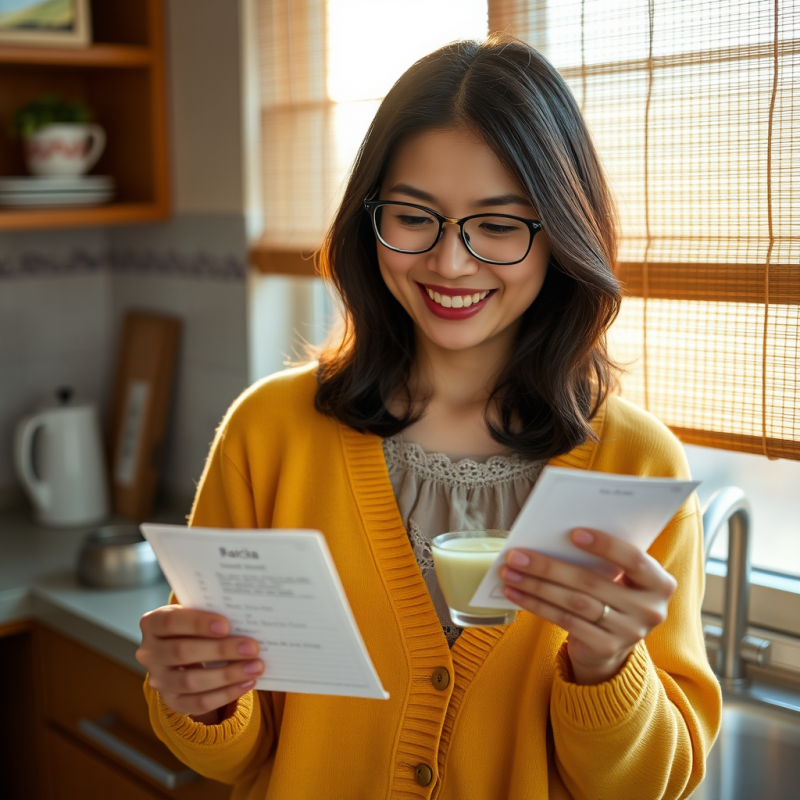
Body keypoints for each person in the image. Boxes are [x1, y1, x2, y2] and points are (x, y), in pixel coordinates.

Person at [136, 34, 721, 799]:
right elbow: (233, 758)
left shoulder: (635, 465)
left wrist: (607, 666)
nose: (450, 263)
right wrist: (200, 699)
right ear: (368, 218)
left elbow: (655, 786)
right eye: (414, 216)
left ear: (562, 236)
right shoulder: (268, 433)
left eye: (500, 225)